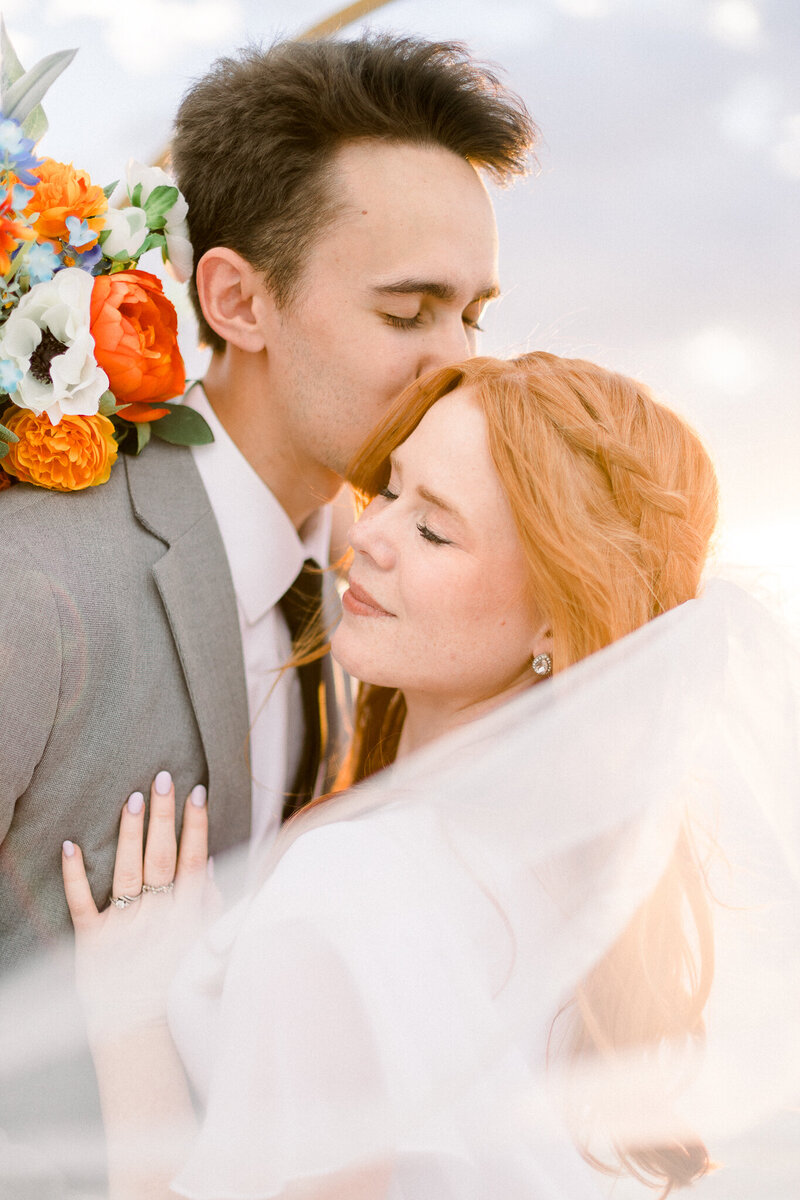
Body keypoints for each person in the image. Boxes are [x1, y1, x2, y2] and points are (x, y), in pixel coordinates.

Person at [61, 351, 800, 1200]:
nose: (367, 534)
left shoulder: (348, 887)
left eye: (434, 529)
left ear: (561, 615)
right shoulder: (592, 881)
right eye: (391, 491)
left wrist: (129, 1023)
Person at [0, 34, 536, 969]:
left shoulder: (372, 597)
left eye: (473, 315)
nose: (459, 366)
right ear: (238, 302)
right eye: (407, 313)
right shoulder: (36, 589)